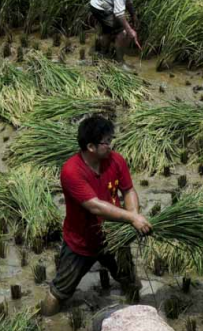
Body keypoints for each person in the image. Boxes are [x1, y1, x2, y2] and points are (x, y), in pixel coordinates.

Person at [41, 115, 151, 316]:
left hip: (113, 238)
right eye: (106, 142)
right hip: (81, 242)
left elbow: (128, 190)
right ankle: (44, 322)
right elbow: (95, 207)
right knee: (60, 291)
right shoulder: (71, 171)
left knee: (130, 280)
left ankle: (138, 314)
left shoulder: (116, 160)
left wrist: (134, 213)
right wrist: (132, 218)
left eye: (111, 140)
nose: (111, 145)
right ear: (90, 147)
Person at [88, 0, 159, 70]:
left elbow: (128, 1)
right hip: (101, 6)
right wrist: (130, 30)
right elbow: (119, 13)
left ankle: (102, 55)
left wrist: (134, 15)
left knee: (108, 30)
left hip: (101, 3)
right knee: (123, 32)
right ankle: (120, 63)